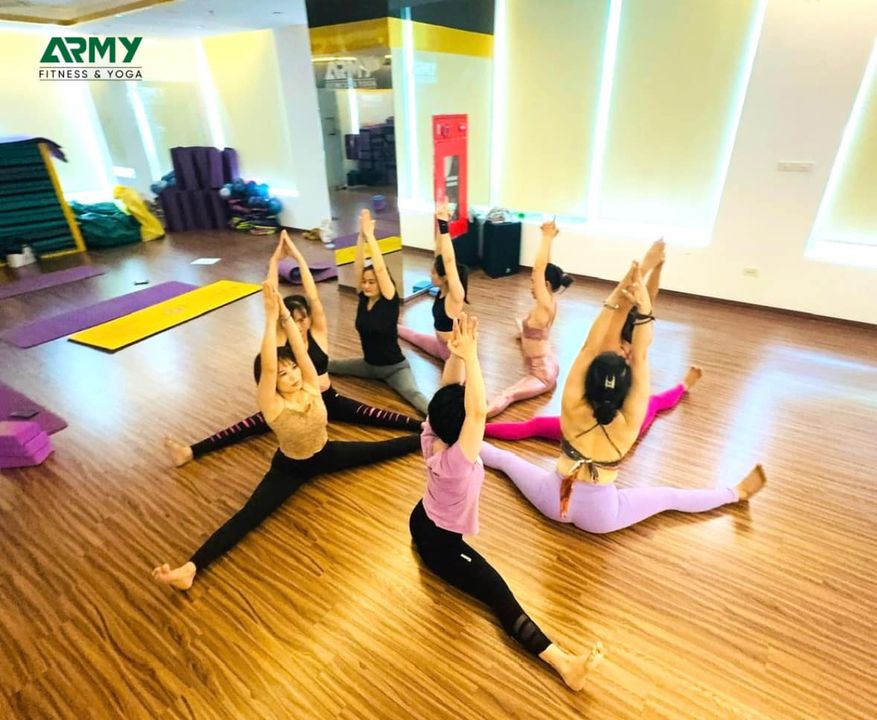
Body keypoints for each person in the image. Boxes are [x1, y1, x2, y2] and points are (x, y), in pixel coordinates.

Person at [153, 273, 420, 590]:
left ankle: (428, 436)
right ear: (271, 382)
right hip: (290, 468)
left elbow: (301, 353)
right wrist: (270, 319)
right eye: (283, 374)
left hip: (326, 452)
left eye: (292, 368)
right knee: (249, 516)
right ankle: (190, 568)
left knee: (382, 450)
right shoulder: (272, 405)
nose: (292, 375)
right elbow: (268, 365)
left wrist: (284, 315)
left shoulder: (310, 385)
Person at [480, 258, 766, 535]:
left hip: (552, 503)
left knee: (505, 461)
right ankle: (735, 493)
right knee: (669, 497)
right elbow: (640, 356)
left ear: (589, 380)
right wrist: (644, 307)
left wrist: (619, 293)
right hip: (601, 517)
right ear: (626, 389)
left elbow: (590, 348)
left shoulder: (573, 405)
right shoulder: (631, 420)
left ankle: (457, 433)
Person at [409, 313, 605, 690]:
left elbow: (450, 393)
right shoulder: (457, 463)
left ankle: (564, 662)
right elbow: (476, 412)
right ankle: (564, 665)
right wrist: (472, 356)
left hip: (422, 519)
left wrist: (460, 354)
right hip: (440, 546)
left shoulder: (431, 434)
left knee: (492, 588)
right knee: (499, 594)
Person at [163, 232, 421, 467]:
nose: (298, 325)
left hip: (327, 399)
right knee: (243, 427)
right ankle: (190, 451)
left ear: (308, 318)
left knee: (377, 416)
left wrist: (298, 257)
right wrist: (275, 261)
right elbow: (271, 296)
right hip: (290, 407)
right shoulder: (281, 343)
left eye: (302, 319)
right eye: (292, 320)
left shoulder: (317, 332)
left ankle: (423, 426)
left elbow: (313, 295)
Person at [485, 239, 701, 440]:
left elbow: (618, 308)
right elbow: (648, 304)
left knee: (533, 427)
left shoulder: (610, 348)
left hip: (581, 426)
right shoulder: (637, 354)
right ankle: (684, 385)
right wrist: (657, 268)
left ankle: (478, 427)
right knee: (655, 403)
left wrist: (644, 268)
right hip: (621, 431)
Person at [328, 210, 431, 415]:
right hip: (368, 365)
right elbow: (357, 266)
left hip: (395, 368)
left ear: (382, 284)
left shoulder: (389, 300)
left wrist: (371, 236)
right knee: (330, 365)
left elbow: (381, 269)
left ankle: (447, 422)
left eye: (371, 282)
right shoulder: (363, 298)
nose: (366, 285)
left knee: (413, 394)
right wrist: (361, 236)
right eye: (364, 282)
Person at [486, 218, 572, 417]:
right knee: (524, 326)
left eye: (534, 283)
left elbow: (540, 269)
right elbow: (544, 269)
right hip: (549, 361)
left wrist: (546, 237)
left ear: (546, 285)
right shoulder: (550, 301)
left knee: (507, 395)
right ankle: (523, 334)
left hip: (541, 375)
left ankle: (474, 418)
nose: (531, 286)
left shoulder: (545, 305)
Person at [397, 203, 468, 362]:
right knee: (413, 335)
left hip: (454, 355)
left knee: (454, 380)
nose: (430, 274)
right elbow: (440, 255)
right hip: (440, 346)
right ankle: (391, 326)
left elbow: (449, 261)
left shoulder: (455, 295)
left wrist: (444, 225)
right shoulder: (442, 289)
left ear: (445, 277)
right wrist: (440, 221)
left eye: (433, 272)